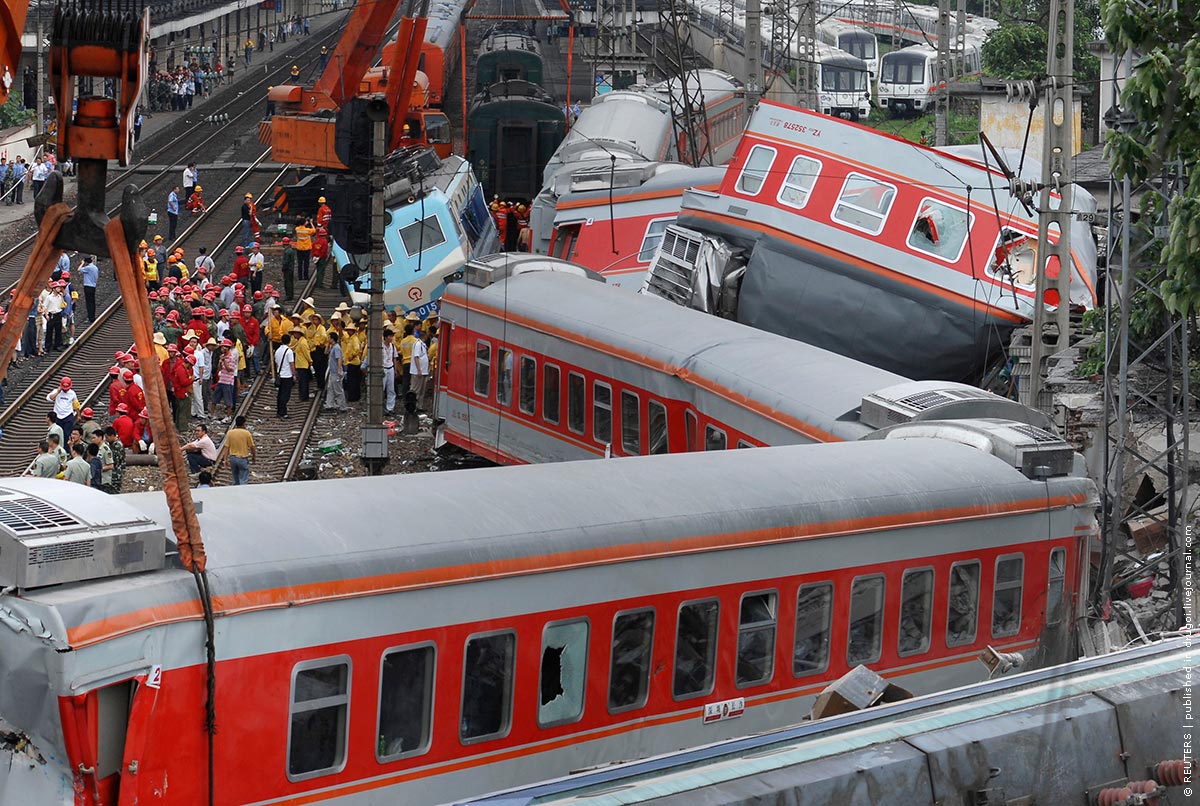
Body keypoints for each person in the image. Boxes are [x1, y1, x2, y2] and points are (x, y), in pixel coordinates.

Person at [225, 415, 256, 485]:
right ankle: (242, 493)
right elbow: (252, 447)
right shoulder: (247, 433)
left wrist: (225, 459)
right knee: (243, 478)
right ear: (243, 424)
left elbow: (226, 447)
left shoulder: (230, 433)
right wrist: (254, 456)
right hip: (242, 458)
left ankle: (235, 493)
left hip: (232, 458)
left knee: (235, 478)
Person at [324, 331, 348, 412]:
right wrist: (328, 344)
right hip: (332, 370)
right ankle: (329, 404)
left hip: (335, 371)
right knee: (330, 388)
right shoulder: (332, 347)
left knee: (338, 389)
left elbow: (339, 359)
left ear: (332, 338)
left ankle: (343, 406)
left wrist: (339, 370)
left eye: (329, 338)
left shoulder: (337, 348)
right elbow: (325, 352)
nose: (328, 339)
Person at [275, 333, 296, 418]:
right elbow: (291, 364)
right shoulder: (289, 351)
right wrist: (294, 374)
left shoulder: (278, 350)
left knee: (280, 394)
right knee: (285, 394)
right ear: (289, 341)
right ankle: (283, 412)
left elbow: (276, 363)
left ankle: (279, 411)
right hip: (287, 375)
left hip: (280, 375)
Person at [104, 427, 126, 493]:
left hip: (116, 472)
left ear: (112, 436)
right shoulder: (112, 444)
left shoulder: (117, 446)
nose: (107, 440)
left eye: (107, 437)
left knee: (114, 491)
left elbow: (115, 461)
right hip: (114, 472)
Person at [80, 255, 99, 322]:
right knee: (92, 302)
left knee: (89, 303)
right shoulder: (95, 268)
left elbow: (79, 269)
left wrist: (82, 263)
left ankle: (90, 317)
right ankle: (92, 316)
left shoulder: (88, 268)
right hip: (93, 286)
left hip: (88, 286)